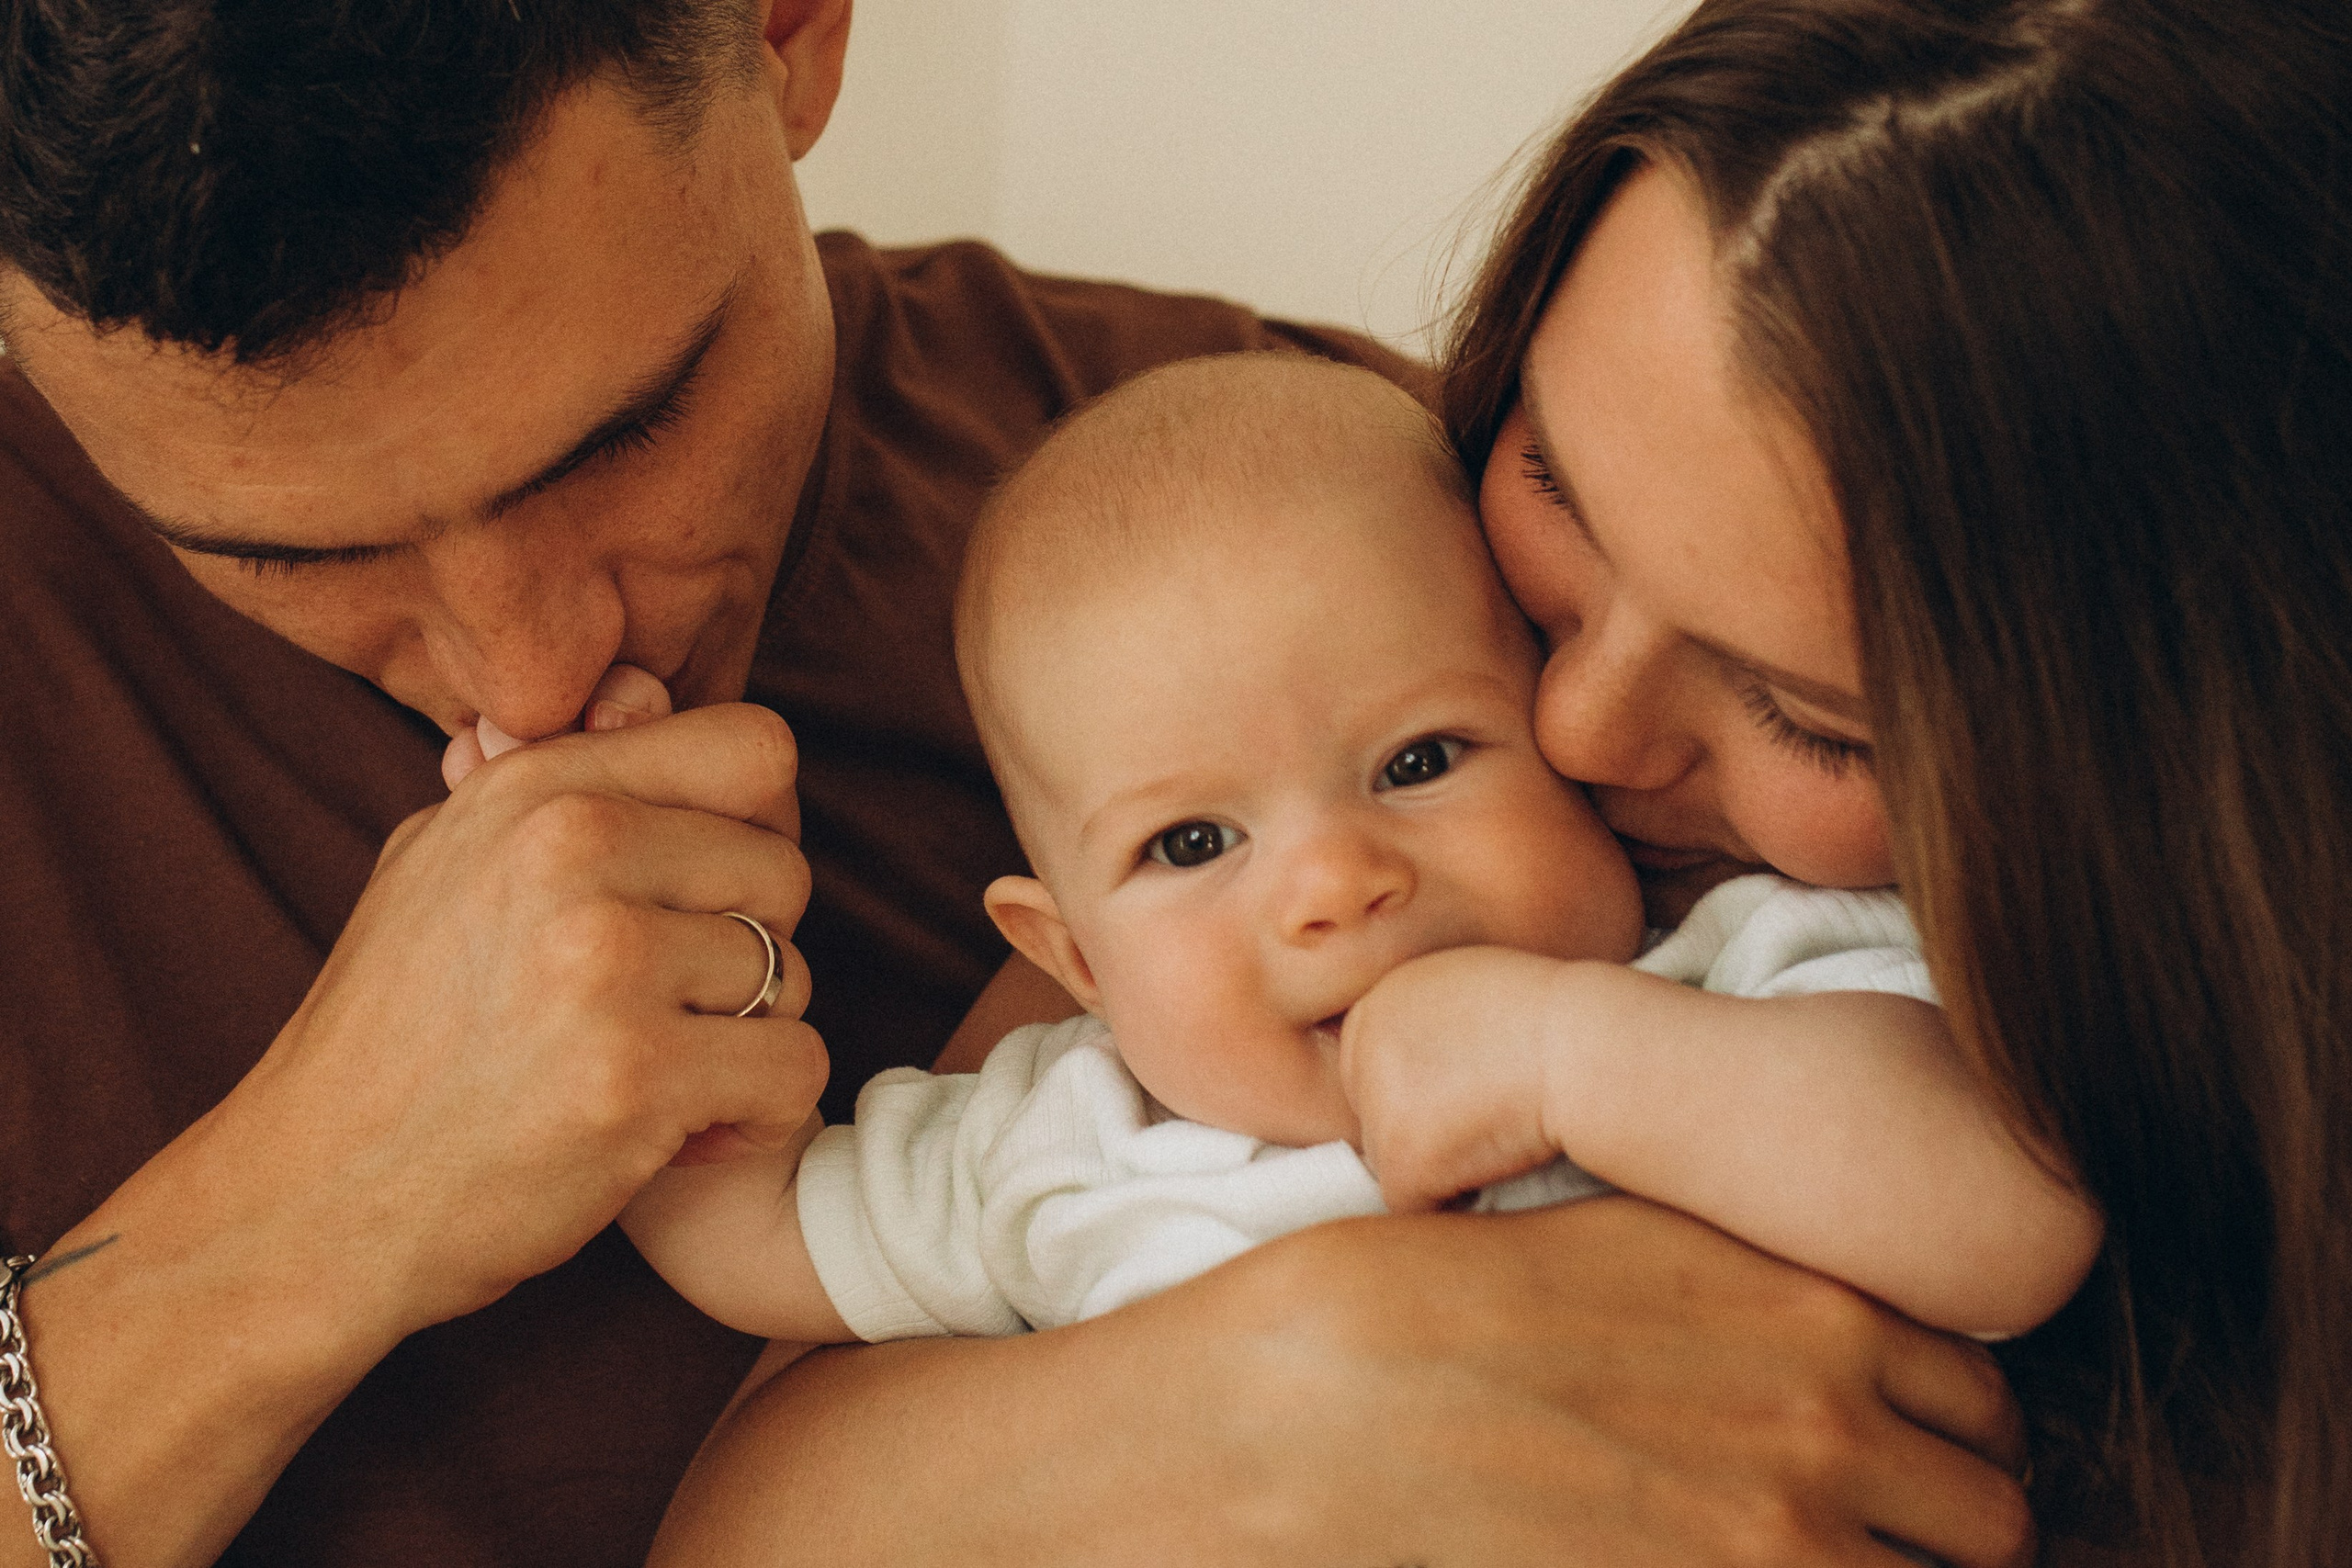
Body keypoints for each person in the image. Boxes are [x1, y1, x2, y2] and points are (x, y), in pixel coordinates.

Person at [0, 1, 2038, 1565]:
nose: (525, 667)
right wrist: (297, 1221)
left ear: (790, 28)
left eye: (624, 430)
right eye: (288, 551)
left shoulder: (1324, 515)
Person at [656, 0, 2349, 1562]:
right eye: (1553, 479)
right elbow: (749, 1435)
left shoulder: (1770, 986)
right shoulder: (1132, 1023)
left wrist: (1572, 1058)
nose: (1585, 730)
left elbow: (1996, 1206)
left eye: (1811, 715)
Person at [618, 350, 2099, 1348]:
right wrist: (623, 858)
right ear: (1072, 957)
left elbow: (2013, 1219)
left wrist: (1575, 1061)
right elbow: (745, 1236)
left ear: (1570, 747)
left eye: (1421, 761)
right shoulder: (1061, 1141)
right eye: (1192, 841)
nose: (1335, 884)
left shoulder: (1736, 979)